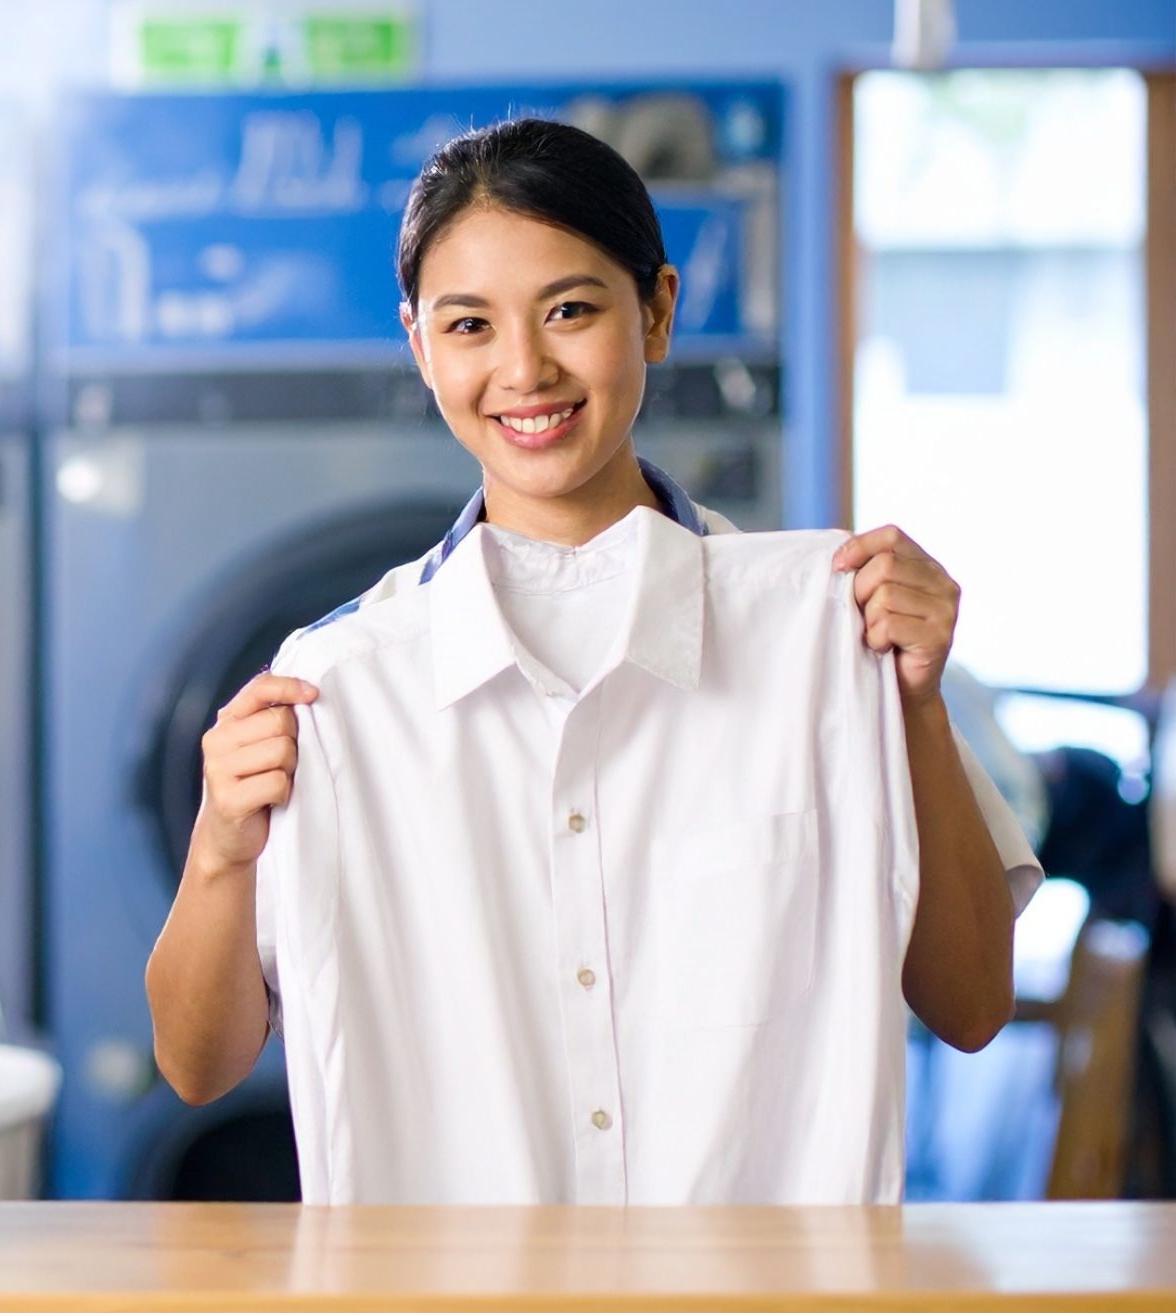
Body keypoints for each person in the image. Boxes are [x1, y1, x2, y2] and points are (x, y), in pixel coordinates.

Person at [144, 118, 1039, 1203]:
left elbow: (971, 1003)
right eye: (468, 323)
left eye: (570, 309)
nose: (524, 368)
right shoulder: (339, 683)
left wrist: (914, 706)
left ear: (656, 311)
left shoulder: (833, 637)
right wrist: (218, 851)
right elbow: (198, 1065)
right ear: (421, 348)